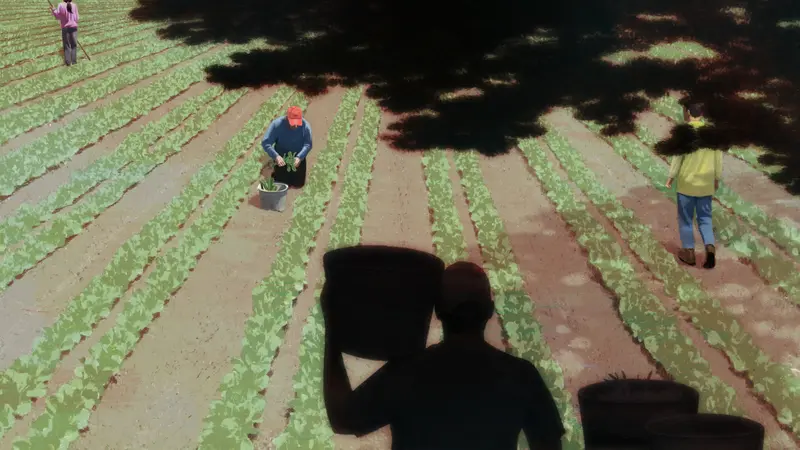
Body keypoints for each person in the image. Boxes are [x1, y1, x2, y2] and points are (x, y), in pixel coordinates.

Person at [322, 261, 566, 450]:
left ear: (437, 310)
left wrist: (333, 336)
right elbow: (548, 444)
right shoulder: (521, 376)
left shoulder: (406, 372)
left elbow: (343, 419)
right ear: (490, 311)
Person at [665, 103, 721, 269]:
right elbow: (718, 160)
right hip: (705, 184)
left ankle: (689, 253)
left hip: (686, 184)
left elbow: (677, 158)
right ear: (702, 114)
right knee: (705, 219)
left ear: (688, 113)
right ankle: (710, 248)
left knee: (686, 219)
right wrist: (716, 178)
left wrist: (670, 178)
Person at [261, 106, 312, 188]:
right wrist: (276, 156)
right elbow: (266, 143)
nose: (295, 126)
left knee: (298, 184)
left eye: (297, 123)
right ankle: (275, 172)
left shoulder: (305, 126)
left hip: (298, 159)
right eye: (293, 123)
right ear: (287, 118)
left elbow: (308, 144)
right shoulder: (277, 125)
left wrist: (299, 157)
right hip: (282, 158)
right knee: (281, 184)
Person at [51, 0, 79, 66]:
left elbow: (57, 16)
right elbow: (77, 18)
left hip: (65, 28)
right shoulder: (74, 5)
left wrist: (53, 10)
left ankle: (68, 64)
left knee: (67, 47)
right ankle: (74, 62)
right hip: (74, 28)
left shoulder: (61, 5)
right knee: (74, 46)